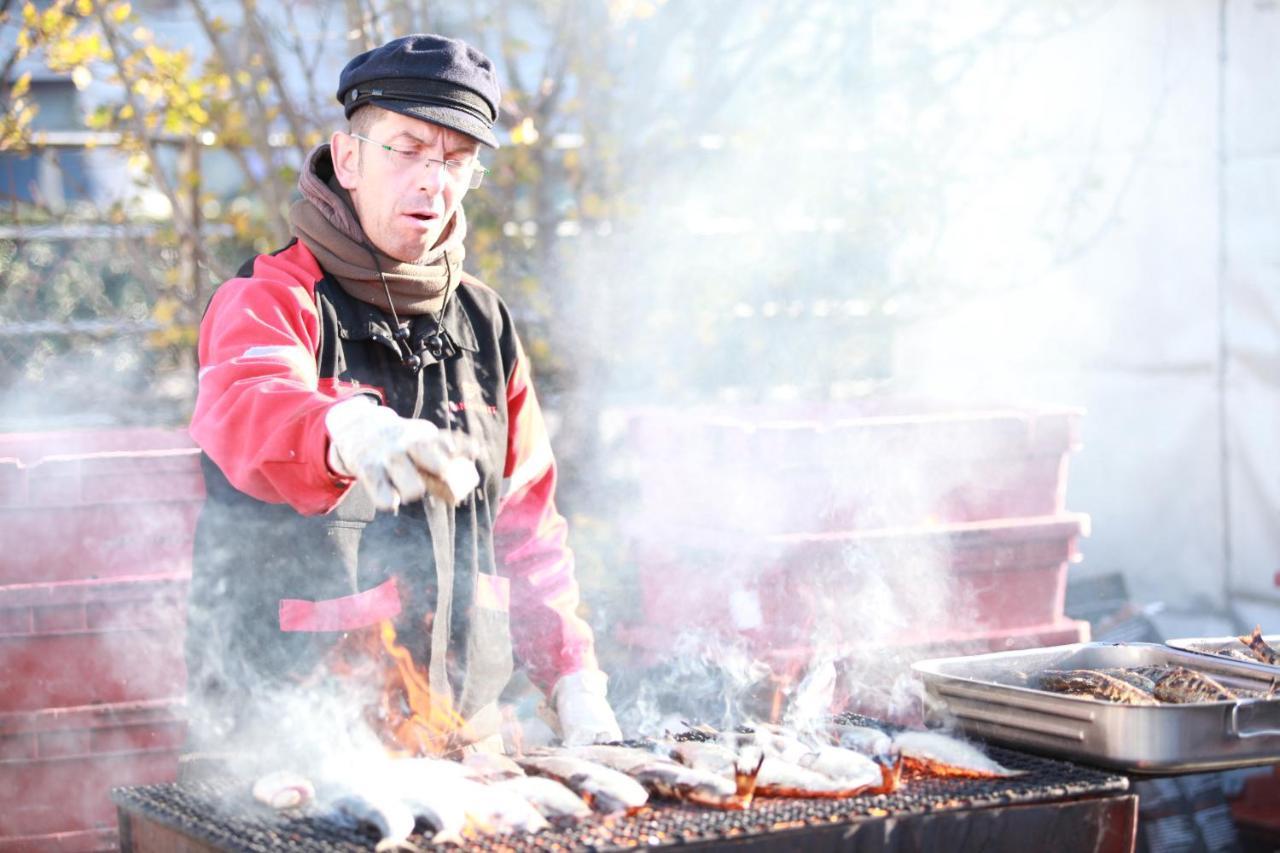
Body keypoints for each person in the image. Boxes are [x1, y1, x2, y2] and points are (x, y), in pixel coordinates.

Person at [184, 33, 621, 760]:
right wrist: (352, 433)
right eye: (408, 148)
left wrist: (575, 675)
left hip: (461, 733)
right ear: (348, 158)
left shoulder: (487, 324)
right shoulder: (270, 297)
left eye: (455, 160)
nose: (432, 180)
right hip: (297, 737)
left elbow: (528, 527)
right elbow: (248, 401)